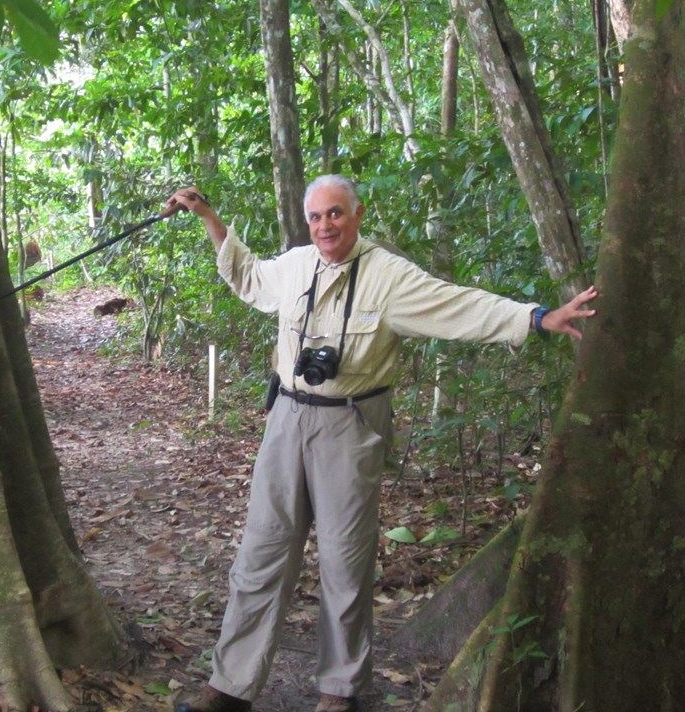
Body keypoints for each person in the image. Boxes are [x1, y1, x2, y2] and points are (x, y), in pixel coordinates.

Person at [165, 175, 598, 712]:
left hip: (350, 426)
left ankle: (338, 693)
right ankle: (230, 687)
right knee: (261, 554)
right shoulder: (297, 264)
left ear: (357, 214)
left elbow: (458, 307)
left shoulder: (389, 277)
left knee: (345, 564)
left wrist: (534, 317)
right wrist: (208, 216)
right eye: (317, 216)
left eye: (336, 214)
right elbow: (250, 277)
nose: (326, 225)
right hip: (286, 421)